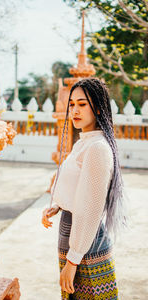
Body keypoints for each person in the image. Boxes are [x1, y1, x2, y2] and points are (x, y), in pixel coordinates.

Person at [41, 78, 129, 299]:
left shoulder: (97, 148)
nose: (74, 110)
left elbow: (90, 210)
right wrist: (57, 207)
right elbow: (76, 190)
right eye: (71, 104)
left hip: (85, 245)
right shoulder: (84, 143)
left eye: (82, 104)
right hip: (72, 235)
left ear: (97, 108)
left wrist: (73, 260)